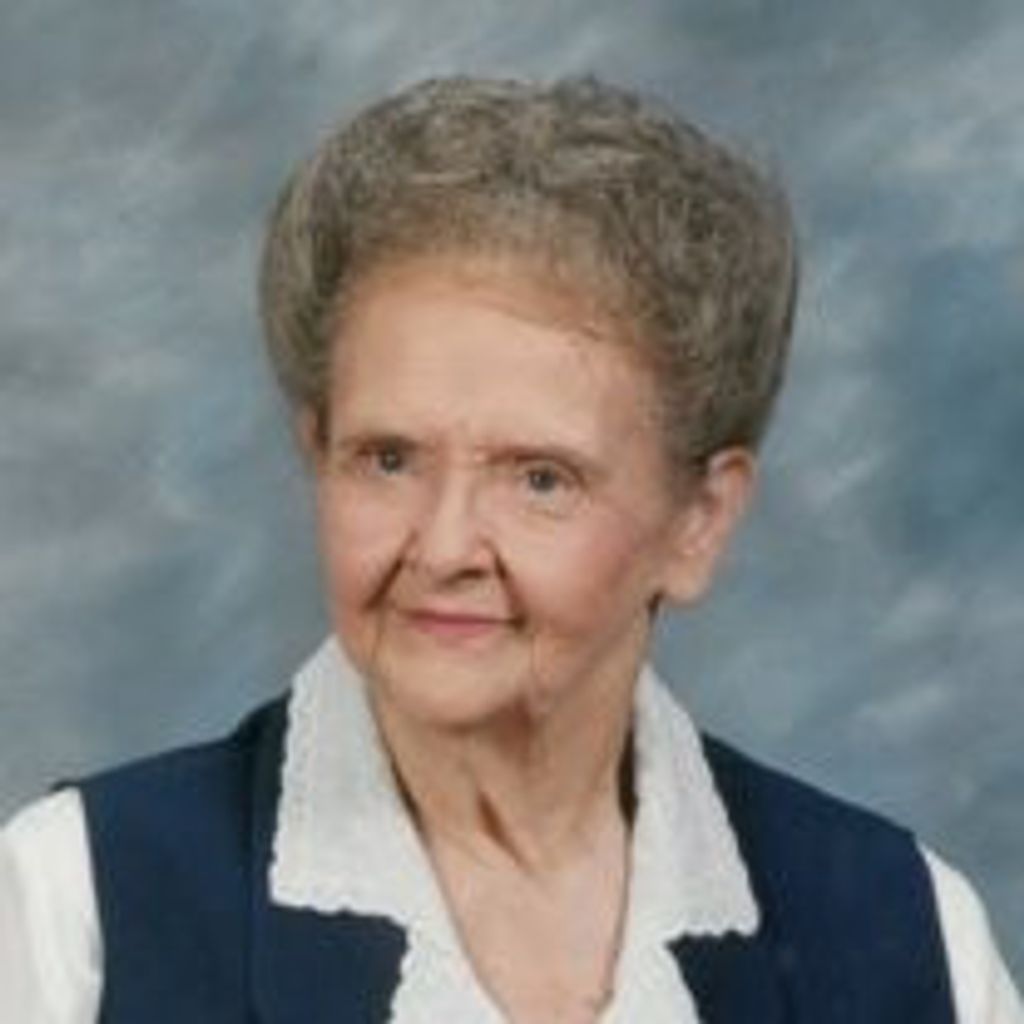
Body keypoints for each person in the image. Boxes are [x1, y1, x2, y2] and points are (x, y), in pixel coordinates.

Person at [0, 75, 1020, 1023]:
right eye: (387, 459)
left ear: (700, 520)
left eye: (539, 478)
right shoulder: (74, 910)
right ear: (316, 452)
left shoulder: (905, 936)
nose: (444, 545)